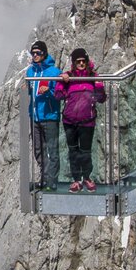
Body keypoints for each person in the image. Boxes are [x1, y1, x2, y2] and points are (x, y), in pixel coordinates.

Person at [55, 47, 106, 193]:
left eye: (84, 61)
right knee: (73, 151)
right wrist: (61, 80)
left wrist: (99, 86)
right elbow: (58, 95)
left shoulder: (93, 76)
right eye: (78, 61)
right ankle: (76, 180)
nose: (81, 64)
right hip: (69, 121)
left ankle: (87, 178)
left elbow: (101, 99)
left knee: (85, 151)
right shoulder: (69, 77)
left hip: (87, 121)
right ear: (74, 62)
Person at [26, 40, 61, 191]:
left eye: (38, 53)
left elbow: (59, 95)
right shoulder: (30, 72)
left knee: (52, 149)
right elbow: (29, 91)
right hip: (35, 117)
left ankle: (52, 181)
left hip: (50, 115)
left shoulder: (54, 72)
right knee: (38, 150)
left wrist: (48, 92)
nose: (35, 55)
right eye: (33, 53)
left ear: (44, 53)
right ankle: (45, 178)